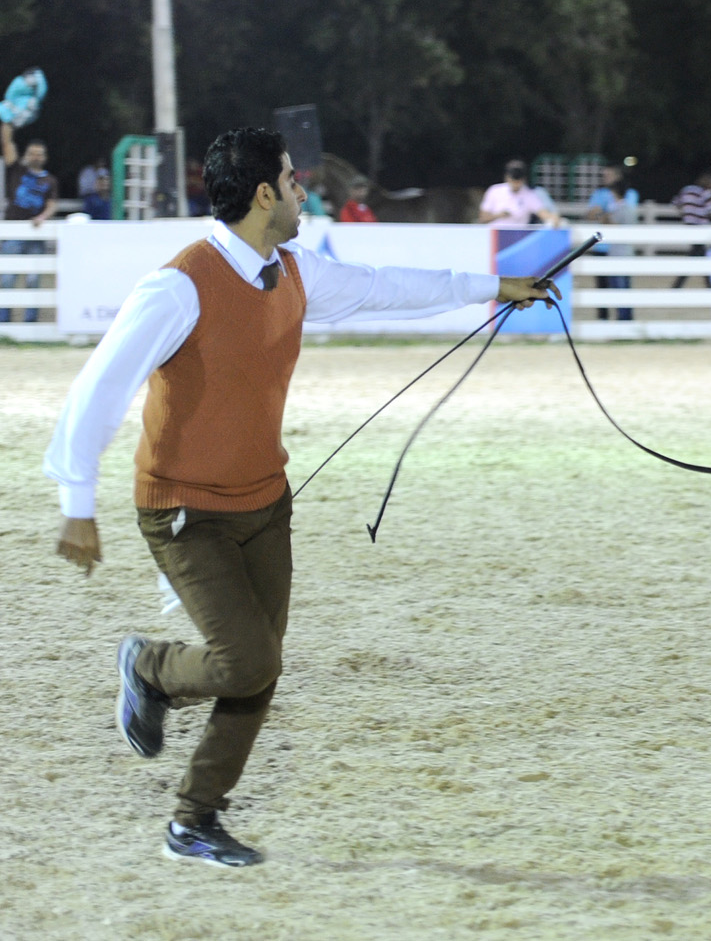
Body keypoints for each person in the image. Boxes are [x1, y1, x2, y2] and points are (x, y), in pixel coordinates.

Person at [44, 127, 556, 868]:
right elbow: (100, 386)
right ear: (263, 195)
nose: (301, 191)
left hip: (265, 500)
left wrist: (495, 288)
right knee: (246, 662)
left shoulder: (291, 269)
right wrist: (77, 502)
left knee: (259, 666)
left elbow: (387, 287)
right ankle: (149, 667)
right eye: (290, 180)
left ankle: (195, 819)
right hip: (185, 510)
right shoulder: (180, 284)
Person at [1, 137, 59, 323]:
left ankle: (30, 324)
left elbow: (52, 204)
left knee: (34, 280)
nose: (35, 157)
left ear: (45, 157)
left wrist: (42, 217)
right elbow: (7, 144)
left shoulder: (50, 180)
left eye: (39, 154)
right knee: (8, 279)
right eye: (32, 153)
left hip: (36, 235)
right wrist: (7, 123)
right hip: (13, 234)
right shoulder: (17, 170)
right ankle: (4, 324)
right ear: (27, 155)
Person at [586, 165, 639, 320]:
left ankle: (623, 321)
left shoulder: (630, 193)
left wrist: (602, 215)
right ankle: (604, 320)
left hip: (618, 249)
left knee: (622, 286)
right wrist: (604, 216)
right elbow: (590, 214)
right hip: (602, 248)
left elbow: (623, 217)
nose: (605, 178)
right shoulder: (599, 193)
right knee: (602, 287)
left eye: (609, 174)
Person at [670, 169, 711, 289]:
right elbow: (710, 209)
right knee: (698, 256)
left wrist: (685, 214)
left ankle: (679, 285)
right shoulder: (707, 192)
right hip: (700, 227)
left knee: (696, 255)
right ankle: (709, 285)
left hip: (689, 225)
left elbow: (675, 202)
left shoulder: (687, 189)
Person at [479, 160, 562, 228]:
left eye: (518, 182)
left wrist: (553, 218)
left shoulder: (529, 195)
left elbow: (543, 213)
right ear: (507, 178)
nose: (515, 185)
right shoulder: (494, 191)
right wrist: (499, 215)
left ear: (523, 180)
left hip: (518, 236)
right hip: (496, 235)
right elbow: (483, 218)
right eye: (513, 181)